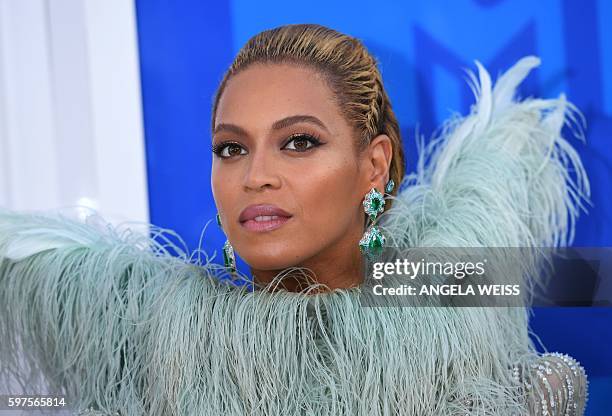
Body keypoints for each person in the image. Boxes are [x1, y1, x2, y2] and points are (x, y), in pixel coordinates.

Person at [0, 24, 589, 415]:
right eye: (231, 148)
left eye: (299, 142)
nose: (255, 175)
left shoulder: (458, 318)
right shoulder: (150, 351)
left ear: (373, 165)